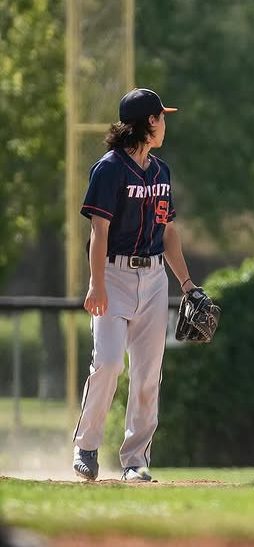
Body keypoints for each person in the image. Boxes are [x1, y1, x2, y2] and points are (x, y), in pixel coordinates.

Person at [73, 88, 200, 482]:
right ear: (147, 121)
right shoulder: (109, 169)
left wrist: (188, 285)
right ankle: (87, 446)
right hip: (113, 273)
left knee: (147, 374)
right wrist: (96, 284)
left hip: (154, 278)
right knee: (109, 363)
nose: (164, 123)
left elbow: (169, 234)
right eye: (161, 117)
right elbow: (99, 232)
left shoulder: (161, 172)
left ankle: (135, 460)